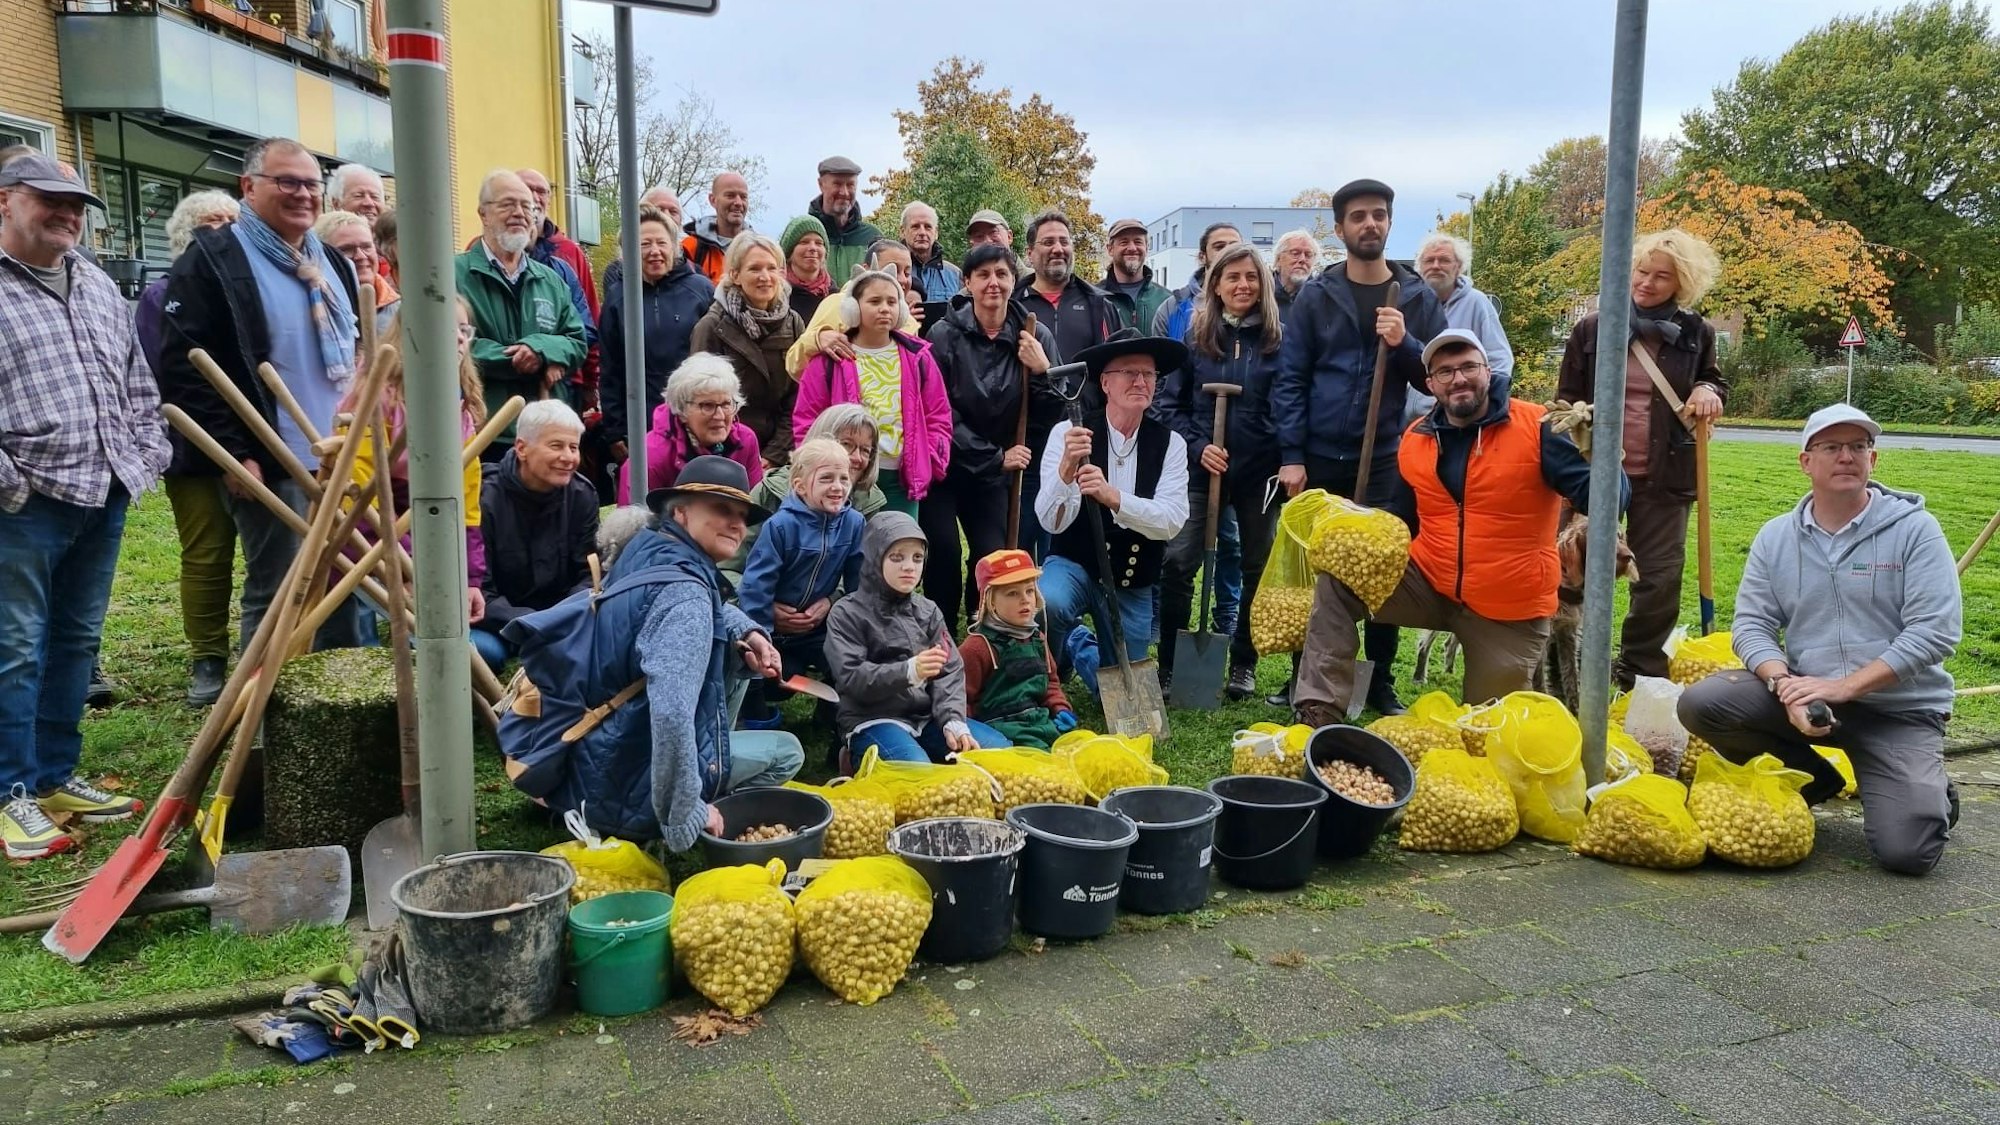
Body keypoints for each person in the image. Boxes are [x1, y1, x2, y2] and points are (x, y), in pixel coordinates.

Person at [1678, 405, 1961, 876]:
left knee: (1909, 854)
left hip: (1898, 711)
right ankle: (1814, 780)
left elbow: (1935, 631)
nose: (1846, 456)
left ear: (1873, 460)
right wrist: (1784, 685)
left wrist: (1845, 686)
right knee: (1704, 703)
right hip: (1812, 700)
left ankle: (1929, 791)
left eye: (1858, 446)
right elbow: (1752, 625)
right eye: (1831, 447)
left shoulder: (1915, 530)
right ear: (1805, 462)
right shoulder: (1776, 538)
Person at [1294, 330, 1612, 725]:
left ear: (1488, 371)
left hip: (1508, 605)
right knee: (1339, 580)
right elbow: (1400, 517)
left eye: (1468, 367)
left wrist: (1600, 457)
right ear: (1430, 384)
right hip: (1430, 583)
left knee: (1488, 729)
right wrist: (1356, 525)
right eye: (1445, 372)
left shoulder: (1539, 427)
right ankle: (1319, 713)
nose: (1458, 379)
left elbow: (1607, 505)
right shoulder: (1417, 437)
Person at [501, 457, 803, 850]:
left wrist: (747, 631)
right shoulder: (686, 597)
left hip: (589, 754)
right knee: (786, 752)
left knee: (734, 662)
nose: (736, 524)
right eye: (721, 509)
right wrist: (685, 813)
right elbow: (672, 713)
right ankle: (682, 811)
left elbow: (701, 608)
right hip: (624, 782)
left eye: (743, 516)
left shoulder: (645, 551)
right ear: (680, 511)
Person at [0, 155, 165, 857]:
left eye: (77, 204)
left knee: (75, 639)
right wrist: (10, 484)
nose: (68, 214)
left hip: (105, 489)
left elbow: (137, 381)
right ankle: (10, 795)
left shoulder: (94, 281)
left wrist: (144, 453)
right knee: (13, 648)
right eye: (51, 200)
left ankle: (53, 776)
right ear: (6, 201)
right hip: (24, 501)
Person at [158, 136, 370, 653]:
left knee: (346, 583)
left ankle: (338, 694)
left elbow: (358, 353)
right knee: (281, 586)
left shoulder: (331, 261)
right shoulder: (212, 259)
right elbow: (185, 368)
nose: (303, 194)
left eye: (311, 184)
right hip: (274, 458)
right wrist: (235, 453)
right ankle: (266, 697)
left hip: (341, 456)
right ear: (248, 187)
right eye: (287, 182)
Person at [1271, 177, 1447, 717]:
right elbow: (1291, 378)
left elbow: (1438, 375)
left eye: (1378, 214)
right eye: (1358, 216)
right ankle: (1306, 674)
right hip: (1320, 456)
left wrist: (1405, 342)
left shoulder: (1416, 297)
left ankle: (1380, 679)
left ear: (1390, 223)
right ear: (1341, 228)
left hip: (1387, 458)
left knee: (1382, 565)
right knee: (1317, 566)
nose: (1369, 224)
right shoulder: (1317, 296)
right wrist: (1292, 456)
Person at [1556, 227, 1726, 689]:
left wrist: (1707, 390)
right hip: (1592, 473)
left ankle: (1638, 670)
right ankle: (1564, 663)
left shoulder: (1697, 332)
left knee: (1658, 577)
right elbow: (1565, 396)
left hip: (1665, 473)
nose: (1646, 283)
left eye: (1661, 277)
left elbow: (1714, 380)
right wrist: (1575, 422)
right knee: (1571, 570)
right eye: (1641, 271)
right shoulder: (1593, 328)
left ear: (1682, 283)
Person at [1156, 243, 1284, 701]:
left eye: (1251, 277)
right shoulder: (1195, 338)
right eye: (1233, 277)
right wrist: (1199, 447)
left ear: (1263, 284)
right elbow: (1168, 405)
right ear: (1215, 285)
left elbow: (1288, 404)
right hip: (1201, 467)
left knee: (1256, 563)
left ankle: (1243, 662)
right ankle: (1170, 662)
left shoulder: (1278, 341)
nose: (1242, 285)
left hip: (1258, 471)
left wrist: (1272, 450)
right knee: (1178, 560)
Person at [135, 189, 239, 706]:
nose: (224, 232)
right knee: (207, 552)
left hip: (260, 444)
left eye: (232, 222)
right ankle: (208, 657)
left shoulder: (247, 286)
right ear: (185, 235)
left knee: (273, 555)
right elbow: (166, 373)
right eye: (212, 223)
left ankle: (272, 650)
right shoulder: (162, 295)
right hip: (194, 447)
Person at [920, 243, 1062, 619]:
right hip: (945, 467)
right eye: (983, 275)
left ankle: (981, 628)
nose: (993, 283)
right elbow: (937, 410)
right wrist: (995, 456)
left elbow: (1053, 412)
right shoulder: (943, 335)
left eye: (1001, 274)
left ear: (1014, 280)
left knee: (991, 556)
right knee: (944, 549)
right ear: (967, 282)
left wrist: (1043, 370)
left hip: (992, 478)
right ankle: (940, 630)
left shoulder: (1034, 336)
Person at [1036, 329, 1190, 670]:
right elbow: (1050, 521)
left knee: (1122, 679)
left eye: (1148, 374)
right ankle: (1053, 671)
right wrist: (1066, 470)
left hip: (1131, 579)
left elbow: (1171, 521)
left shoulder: (1171, 444)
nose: (1140, 382)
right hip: (1074, 565)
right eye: (1129, 372)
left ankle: (1079, 646)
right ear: (1105, 383)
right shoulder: (1068, 434)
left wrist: (1114, 497)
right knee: (1049, 604)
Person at [343, 298, 489, 633]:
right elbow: (359, 492)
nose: (459, 338)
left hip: (426, 528)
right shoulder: (377, 394)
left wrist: (469, 578)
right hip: (366, 534)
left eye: (464, 329)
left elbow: (467, 503)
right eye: (447, 328)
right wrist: (405, 565)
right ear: (412, 333)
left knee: (435, 634)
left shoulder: (461, 404)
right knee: (355, 636)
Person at [824, 513, 1009, 770]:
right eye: (896, 557)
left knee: (999, 752)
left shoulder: (928, 610)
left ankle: (927, 751)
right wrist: (908, 672)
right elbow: (851, 677)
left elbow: (950, 669)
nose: (909, 567)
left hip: (927, 717)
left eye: (917, 558)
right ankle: (856, 754)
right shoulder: (846, 613)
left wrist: (952, 720)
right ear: (874, 558)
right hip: (872, 719)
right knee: (916, 773)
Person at [793, 269, 951, 517]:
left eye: (891, 302)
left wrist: (930, 458)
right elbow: (806, 418)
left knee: (899, 540)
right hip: (844, 478)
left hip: (901, 480)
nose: (884, 309)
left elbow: (938, 414)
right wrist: (818, 467)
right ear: (853, 308)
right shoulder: (828, 361)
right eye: (875, 301)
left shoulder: (918, 358)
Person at [456, 170, 588, 451]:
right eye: (507, 204)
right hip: (481, 430)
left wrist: (540, 348)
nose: (519, 213)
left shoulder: (551, 280)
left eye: (527, 207)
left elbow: (577, 341)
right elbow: (448, 344)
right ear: (483, 214)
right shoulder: (454, 274)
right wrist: (515, 359)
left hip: (544, 434)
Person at [736, 438, 866, 723]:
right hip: (776, 630)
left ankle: (836, 722)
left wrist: (857, 627)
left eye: (844, 478)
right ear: (800, 486)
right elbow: (757, 585)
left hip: (818, 628)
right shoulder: (781, 526)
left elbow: (858, 580)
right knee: (763, 672)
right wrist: (761, 634)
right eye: (826, 478)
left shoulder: (854, 523)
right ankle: (755, 718)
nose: (837, 486)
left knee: (846, 658)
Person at [475, 400, 598, 671]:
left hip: (561, 620)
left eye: (574, 447)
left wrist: (559, 618)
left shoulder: (582, 496)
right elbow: (480, 589)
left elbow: (589, 573)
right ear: (521, 448)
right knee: (484, 652)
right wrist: (533, 623)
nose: (568, 457)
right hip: (496, 623)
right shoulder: (485, 500)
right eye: (556, 446)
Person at [722, 404, 887, 588]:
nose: (856, 458)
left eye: (865, 450)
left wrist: (832, 600)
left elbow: (862, 579)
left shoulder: (869, 504)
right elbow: (727, 567)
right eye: (847, 444)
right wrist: (764, 599)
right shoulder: (771, 491)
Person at [598, 204, 715, 462]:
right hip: (640, 426)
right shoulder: (618, 297)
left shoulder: (701, 290)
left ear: (674, 247)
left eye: (661, 243)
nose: (654, 251)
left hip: (696, 423)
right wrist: (614, 431)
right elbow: (610, 369)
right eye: (644, 244)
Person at [689, 232, 802, 467]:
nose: (765, 277)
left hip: (781, 454)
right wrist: (743, 455)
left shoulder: (793, 324)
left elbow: (799, 397)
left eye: (772, 268)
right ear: (735, 275)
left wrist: (773, 455)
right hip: (727, 454)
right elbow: (701, 403)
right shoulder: (712, 327)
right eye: (755, 269)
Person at [959, 549, 1078, 750]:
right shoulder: (977, 647)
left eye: (1029, 591)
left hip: (1038, 721)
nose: (1025, 599)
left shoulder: (1038, 639)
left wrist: (1060, 708)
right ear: (990, 601)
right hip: (999, 728)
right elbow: (960, 699)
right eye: (1012, 593)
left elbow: (1050, 683)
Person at [617, 352, 763, 505]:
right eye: (707, 406)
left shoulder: (746, 440)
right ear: (682, 411)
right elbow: (635, 516)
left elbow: (755, 505)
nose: (719, 415)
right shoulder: (649, 458)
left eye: (726, 404)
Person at [786, 238, 923, 377]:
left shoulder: (909, 322)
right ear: (866, 269)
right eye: (892, 270)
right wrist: (816, 340)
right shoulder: (836, 305)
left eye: (907, 273)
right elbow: (793, 365)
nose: (902, 279)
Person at [1415, 233, 1514, 392]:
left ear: (1459, 267)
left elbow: (1499, 358)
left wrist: (1492, 400)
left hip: (1462, 402)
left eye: (1444, 260)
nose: (1435, 266)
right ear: (1420, 267)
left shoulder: (1477, 302)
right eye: (1429, 260)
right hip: (1417, 405)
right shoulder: (1411, 305)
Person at [1018, 209, 1114, 371]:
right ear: (1030, 253)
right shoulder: (1014, 305)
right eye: (1048, 242)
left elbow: (1117, 365)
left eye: (1064, 242)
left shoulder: (1101, 305)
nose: (1058, 249)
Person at [517, 167, 601, 320]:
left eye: (541, 192)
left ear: (549, 201)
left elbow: (590, 313)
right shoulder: (487, 249)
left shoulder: (569, 251)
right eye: (526, 189)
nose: (535, 197)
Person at [1152, 222, 1242, 340]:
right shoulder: (1171, 309)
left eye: (1234, 247)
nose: (1228, 252)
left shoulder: (1257, 305)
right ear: (1202, 257)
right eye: (1219, 247)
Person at [314, 209, 398, 333]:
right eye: (346, 249)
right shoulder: (313, 312)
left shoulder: (402, 309)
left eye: (366, 247)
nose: (361, 256)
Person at [599, 184, 687, 296]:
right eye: (659, 210)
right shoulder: (617, 273)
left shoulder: (693, 272)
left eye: (673, 211)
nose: (667, 216)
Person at [809, 156, 882, 283]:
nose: (844, 192)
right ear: (821, 185)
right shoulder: (805, 235)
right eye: (837, 184)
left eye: (850, 185)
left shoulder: (873, 238)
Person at [1099, 218, 1173, 333]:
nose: (1132, 248)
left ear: (1147, 248)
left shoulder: (1167, 301)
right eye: (1124, 242)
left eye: (1138, 242)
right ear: (1110, 249)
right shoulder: (1095, 299)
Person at [683, 171, 750, 284]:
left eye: (743, 197)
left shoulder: (759, 249)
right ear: (713, 200)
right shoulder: (690, 248)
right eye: (730, 196)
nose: (738, 202)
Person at [901, 201, 961, 302]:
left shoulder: (954, 275)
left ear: (936, 233)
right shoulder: (893, 272)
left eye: (928, 227)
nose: (922, 232)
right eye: (915, 226)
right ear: (903, 231)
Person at [780, 214, 833, 324]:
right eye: (804, 242)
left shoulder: (835, 297)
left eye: (819, 243)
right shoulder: (776, 294)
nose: (813, 248)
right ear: (789, 251)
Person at [1271, 229, 1321, 317]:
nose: (1302, 259)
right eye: (1295, 253)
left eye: (1308, 255)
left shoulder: (1322, 296)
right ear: (1279, 258)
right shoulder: (1263, 293)